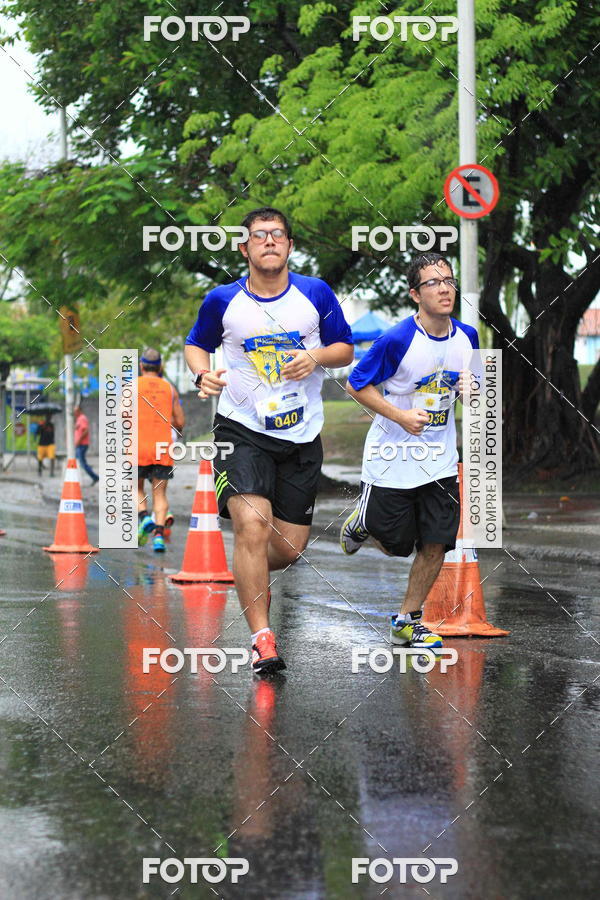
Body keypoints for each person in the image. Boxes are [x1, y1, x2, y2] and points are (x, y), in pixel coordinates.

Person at [184, 206, 354, 674]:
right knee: (252, 526)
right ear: (244, 248)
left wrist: (313, 356)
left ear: (290, 246)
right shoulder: (223, 300)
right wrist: (203, 373)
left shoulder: (315, 293)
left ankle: (250, 573)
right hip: (241, 428)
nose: (270, 241)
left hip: (301, 433)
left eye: (278, 234)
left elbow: (345, 348)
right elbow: (195, 343)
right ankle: (262, 637)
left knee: (288, 548)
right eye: (259, 235)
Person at [340, 252, 479, 649]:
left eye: (449, 280)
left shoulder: (467, 336)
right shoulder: (398, 339)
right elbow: (356, 384)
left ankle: (407, 620)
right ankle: (364, 523)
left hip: (438, 460)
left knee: (437, 541)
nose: (444, 288)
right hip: (392, 458)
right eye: (433, 283)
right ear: (415, 293)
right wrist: (399, 416)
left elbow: (474, 388)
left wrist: (473, 391)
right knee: (398, 544)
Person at [137, 348, 185, 552]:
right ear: (161, 367)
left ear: (141, 366)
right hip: (163, 447)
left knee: (135, 488)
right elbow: (180, 423)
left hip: (138, 447)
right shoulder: (170, 388)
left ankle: (144, 517)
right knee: (160, 494)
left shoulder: (132, 386)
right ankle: (158, 536)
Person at [74, 405, 99, 485]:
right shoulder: (78, 419)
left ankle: (95, 477)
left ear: (80, 410)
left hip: (82, 445)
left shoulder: (82, 418)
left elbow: (86, 431)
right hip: (80, 445)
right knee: (77, 462)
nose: (74, 412)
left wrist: (79, 440)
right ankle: (76, 479)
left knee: (81, 463)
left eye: (76, 411)